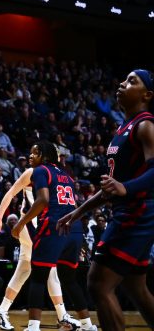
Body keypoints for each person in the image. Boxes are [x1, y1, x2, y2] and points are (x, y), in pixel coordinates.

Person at [58, 70, 154, 331]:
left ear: (147, 95)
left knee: (98, 283)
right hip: (131, 211)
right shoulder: (123, 129)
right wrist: (76, 213)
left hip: (138, 213)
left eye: (132, 81)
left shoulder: (146, 125)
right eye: (123, 79)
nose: (123, 84)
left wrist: (126, 187)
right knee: (136, 287)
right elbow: (112, 188)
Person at [13, 141, 96, 331]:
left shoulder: (41, 171)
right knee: (69, 278)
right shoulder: (66, 176)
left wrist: (20, 223)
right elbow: (74, 206)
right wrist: (80, 238)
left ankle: (33, 327)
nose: (30, 156)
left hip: (54, 226)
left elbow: (42, 200)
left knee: (38, 276)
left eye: (34, 153)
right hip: (74, 228)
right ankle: (88, 325)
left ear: (45, 156)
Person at [0, 161, 80, 330]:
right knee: (50, 268)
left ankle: (1, 311)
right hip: (29, 225)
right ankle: (62, 316)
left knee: (24, 268)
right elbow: (10, 193)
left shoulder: (55, 175)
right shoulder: (33, 172)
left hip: (41, 226)